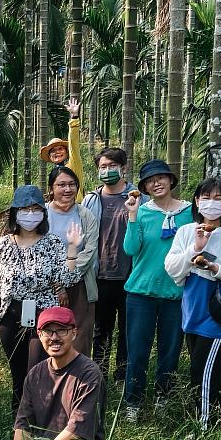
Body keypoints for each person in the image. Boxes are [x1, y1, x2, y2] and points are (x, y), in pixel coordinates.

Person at [164, 178, 221, 430]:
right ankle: (212, 417)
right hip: (191, 314)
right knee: (201, 371)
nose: (211, 204)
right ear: (196, 201)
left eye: (218, 198)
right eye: (206, 197)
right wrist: (195, 249)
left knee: (202, 375)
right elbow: (172, 269)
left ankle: (204, 429)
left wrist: (216, 268)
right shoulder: (186, 232)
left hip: (217, 318)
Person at [0, 185, 82, 413]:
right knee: (18, 370)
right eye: (24, 209)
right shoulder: (3, 245)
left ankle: (45, 418)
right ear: (15, 212)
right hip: (12, 315)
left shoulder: (52, 243)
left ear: (43, 212)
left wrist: (72, 248)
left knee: (40, 367)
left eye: (35, 209)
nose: (30, 215)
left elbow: (67, 278)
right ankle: (19, 420)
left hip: (44, 315)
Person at [7, 307, 107, 440]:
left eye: (61, 330)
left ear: (74, 333)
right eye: (48, 331)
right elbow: (23, 426)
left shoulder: (89, 374)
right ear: (39, 334)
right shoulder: (35, 374)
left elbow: (75, 433)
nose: (54, 337)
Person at [122, 159, 192, 423]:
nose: (157, 183)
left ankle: (164, 398)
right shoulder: (141, 212)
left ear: (171, 180)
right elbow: (131, 249)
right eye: (150, 181)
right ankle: (133, 402)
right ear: (144, 187)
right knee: (137, 351)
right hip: (141, 294)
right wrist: (131, 216)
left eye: (161, 177)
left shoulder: (189, 213)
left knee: (170, 351)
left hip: (176, 295)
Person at [81, 147, 146, 385]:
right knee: (101, 330)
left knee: (128, 332)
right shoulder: (91, 200)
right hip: (100, 276)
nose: (107, 171)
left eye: (111, 166)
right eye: (102, 167)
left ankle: (122, 377)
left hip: (130, 276)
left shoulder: (139, 198)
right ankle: (98, 375)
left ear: (124, 167)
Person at [44, 166, 98, 358]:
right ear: (51, 188)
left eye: (72, 184)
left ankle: (79, 380)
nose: (67, 189)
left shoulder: (85, 215)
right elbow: (38, 252)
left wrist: (66, 278)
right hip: (47, 285)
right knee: (52, 333)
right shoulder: (42, 215)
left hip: (80, 283)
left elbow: (90, 250)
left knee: (80, 334)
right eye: (61, 185)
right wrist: (58, 285)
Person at [39, 98, 85, 202]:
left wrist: (74, 118)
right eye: (53, 151)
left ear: (66, 152)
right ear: (50, 157)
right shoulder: (54, 173)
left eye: (60, 149)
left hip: (76, 209)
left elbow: (74, 144)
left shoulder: (73, 164)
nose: (57, 152)